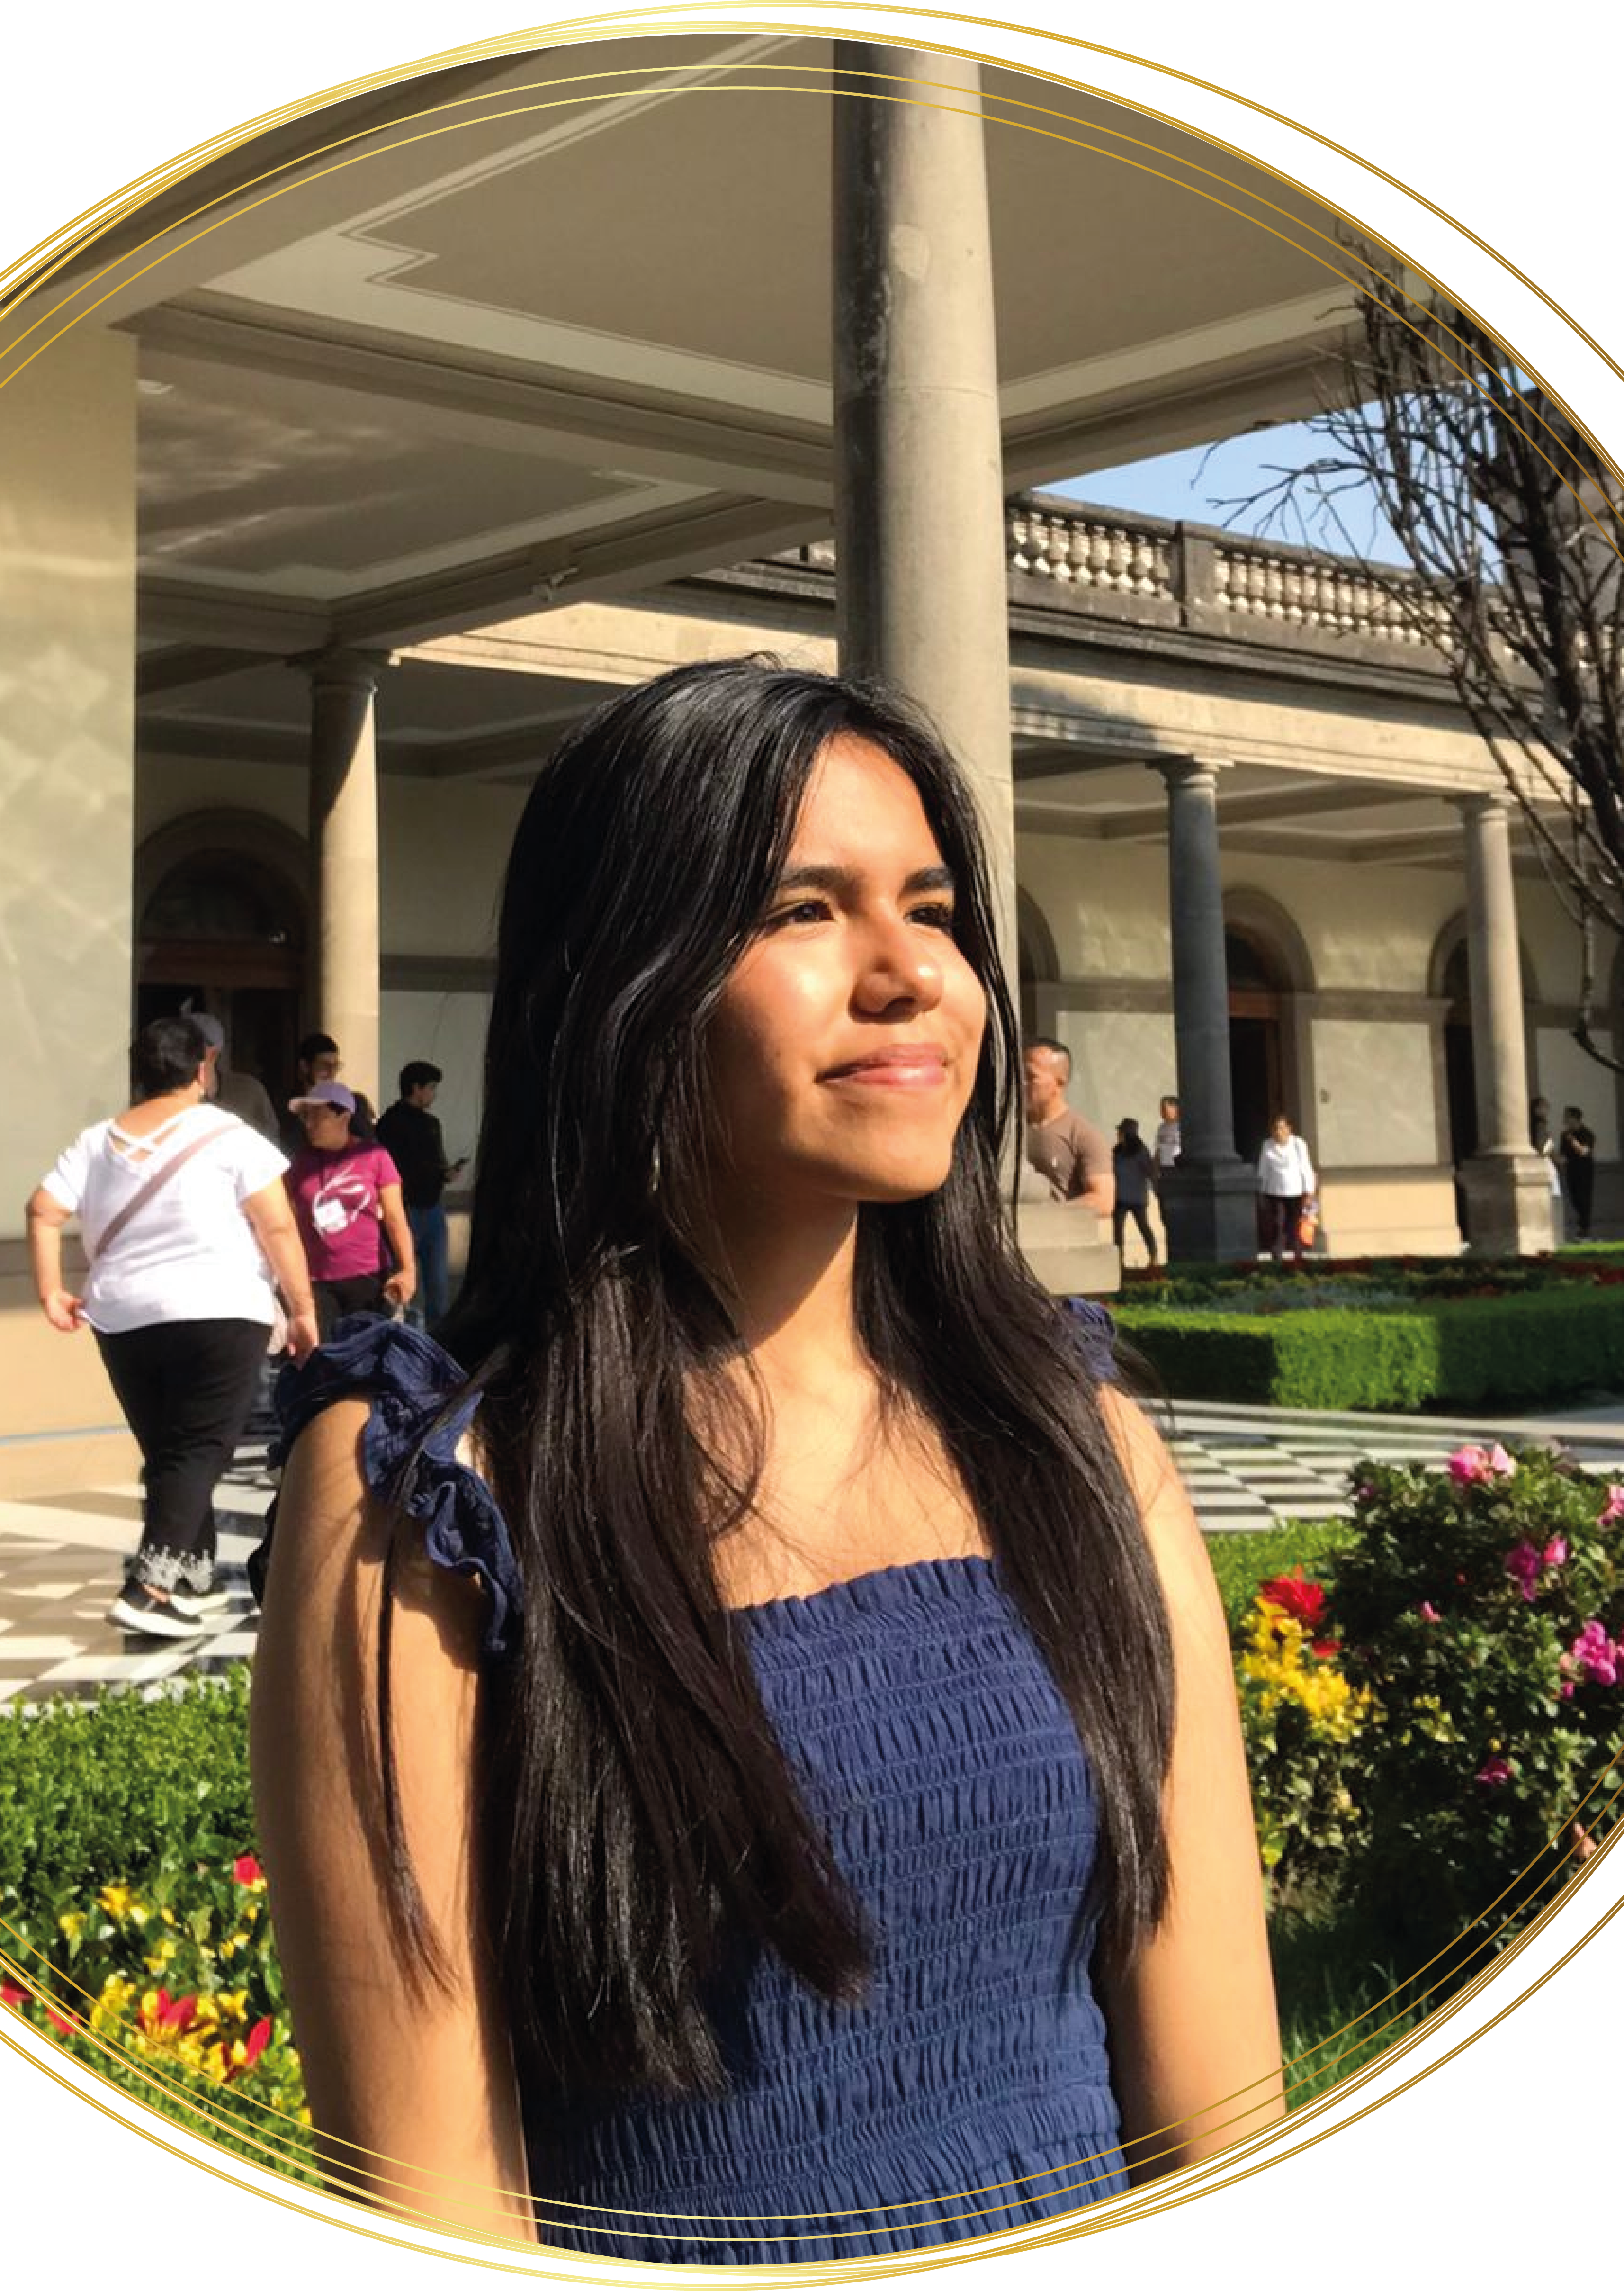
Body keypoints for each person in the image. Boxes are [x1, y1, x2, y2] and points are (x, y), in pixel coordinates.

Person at [248, 659, 1280, 2260]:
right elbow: (440, 2213)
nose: (910, 973)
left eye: (932, 910)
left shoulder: (1082, 1450)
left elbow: (1222, 2120)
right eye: (803, 909)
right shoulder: (433, 1505)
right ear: (622, 980)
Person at [26, 1014, 318, 1638]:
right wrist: (301, 1309)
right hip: (219, 1308)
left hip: (122, 1316)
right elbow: (276, 1225)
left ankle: (192, 1576)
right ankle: (149, 1588)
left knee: (169, 1450)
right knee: (198, 1449)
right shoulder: (230, 1136)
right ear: (202, 1068)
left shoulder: (97, 1141)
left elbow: (43, 1209)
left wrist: (51, 1290)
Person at [286, 1079, 418, 1336]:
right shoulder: (300, 1163)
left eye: (318, 1116)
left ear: (344, 1117)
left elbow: (395, 1218)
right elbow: (287, 1222)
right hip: (317, 1280)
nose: (310, 1124)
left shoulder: (375, 1157)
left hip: (368, 1276)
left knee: (367, 1350)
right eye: (306, 1117)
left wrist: (407, 1271)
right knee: (325, 1354)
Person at [374, 1059, 467, 1329]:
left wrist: (444, 1174)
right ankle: (418, 1334)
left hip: (424, 1206)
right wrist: (442, 1174)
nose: (433, 1095)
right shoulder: (402, 1124)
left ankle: (416, 1335)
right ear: (417, 1088)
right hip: (408, 1208)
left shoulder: (401, 1122)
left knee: (427, 1282)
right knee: (417, 1282)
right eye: (431, 1088)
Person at [1020, 1036, 1115, 1213]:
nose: (1021, 1083)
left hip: (1055, 1229)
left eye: (1031, 1077)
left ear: (1059, 1083)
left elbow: (1103, 1200)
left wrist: (1049, 1214)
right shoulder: (1009, 1132)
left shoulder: (1084, 1136)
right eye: (1019, 1075)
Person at [187, 1010, 277, 1137]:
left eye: (188, 1047)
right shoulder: (169, 1096)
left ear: (213, 1054)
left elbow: (272, 1137)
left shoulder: (249, 1090)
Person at [1254, 1111, 1316, 1262]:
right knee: (1278, 1223)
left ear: (1289, 1129)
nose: (1279, 1132)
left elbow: (1306, 1168)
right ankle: (1277, 1256)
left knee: (1295, 1224)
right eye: (1276, 1128)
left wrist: (1309, 1192)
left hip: (1296, 1192)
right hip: (1275, 1192)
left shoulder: (1299, 1144)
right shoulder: (1267, 1145)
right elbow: (1263, 1170)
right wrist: (1260, 1191)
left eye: (1282, 1128)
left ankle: (1298, 1257)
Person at [283, 1033, 342, 1155]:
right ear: (305, 1067)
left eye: (335, 1066)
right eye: (324, 1066)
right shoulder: (287, 1114)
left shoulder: (348, 1108)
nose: (332, 1073)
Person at [1111, 1116, 1158, 1271]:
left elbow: (1150, 1171)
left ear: (1127, 1133)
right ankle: (1119, 1262)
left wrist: (1156, 1186)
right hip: (1120, 1197)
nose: (1118, 1134)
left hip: (1137, 1197)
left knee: (1143, 1227)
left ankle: (1153, 1257)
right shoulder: (1117, 1150)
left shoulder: (1141, 1150)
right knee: (1118, 1231)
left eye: (1120, 1131)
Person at [1558, 1106, 1597, 1240]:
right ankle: (1582, 1227)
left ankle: (1585, 1230)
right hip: (1572, 1170)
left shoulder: (1587, 1134)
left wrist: (1573, 1141)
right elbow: (1563, 1155)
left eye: (1567, 1117)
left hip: (1584, 1170)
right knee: (1574, 1198)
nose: (1565, 1120)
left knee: (1584, 1199)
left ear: (1574, 1118)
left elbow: (1584, 1152)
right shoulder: (1565, 1135)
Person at [1154, 1092, 1182, 1173]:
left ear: (1176, 1108)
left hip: (1179, 1169)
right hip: (1164, 1169)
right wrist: (1155, 1170)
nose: (1162, 1112)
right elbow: (1158, 1150)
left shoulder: (1185, 1127)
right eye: (1161, 1109)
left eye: (1164, 1109)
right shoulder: (1161, 1128)